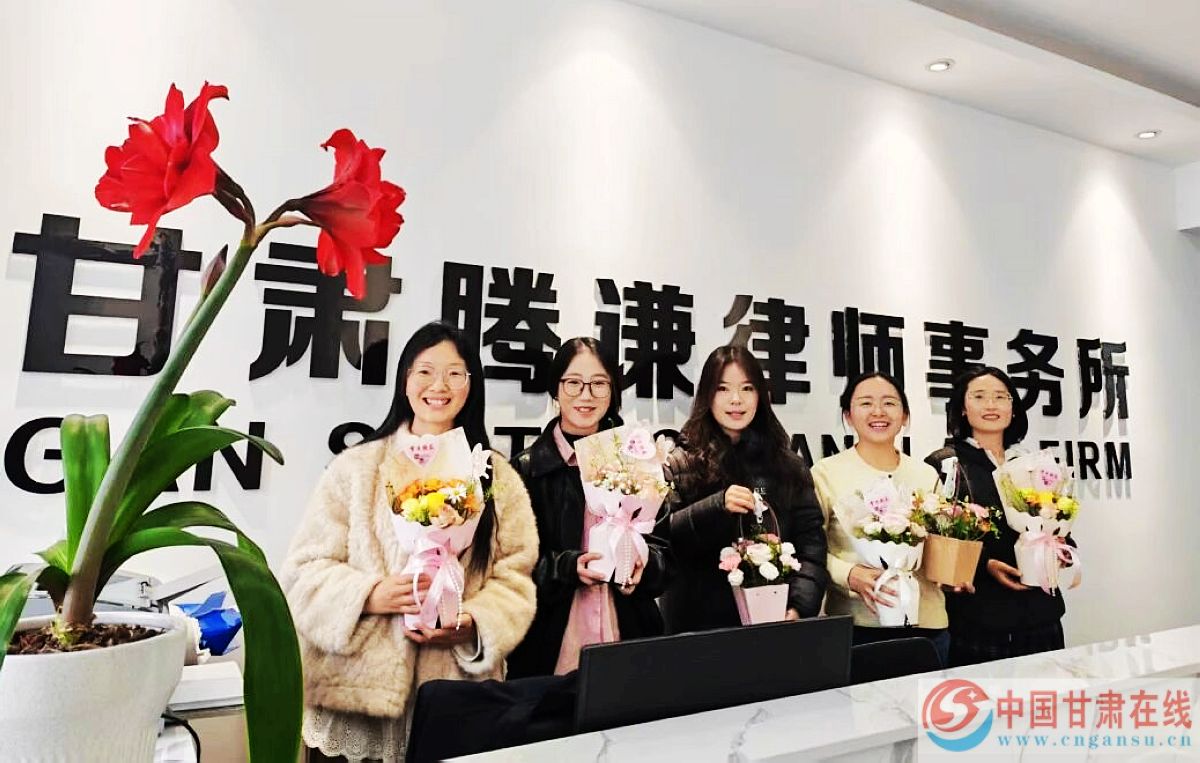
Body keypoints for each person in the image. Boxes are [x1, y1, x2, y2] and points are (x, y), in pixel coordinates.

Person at [281, 321, 538, 763]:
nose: (439, 386)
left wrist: (474, 623)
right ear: (405, 380)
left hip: (456, 699)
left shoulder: (496, 475)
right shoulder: (356, 467)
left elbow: (515, 576)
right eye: (425, 371)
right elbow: (303, 570)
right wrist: (368, 595)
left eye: (455, 373)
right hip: (353, 698)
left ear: (471, 385)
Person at [507, 338, 673, 678]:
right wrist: (566, 567)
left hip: (628, 633)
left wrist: (643, 566)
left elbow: (665, 550)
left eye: (599, 384)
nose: (586, 395)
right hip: (551, 643)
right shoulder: (526, 469)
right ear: (556, 389)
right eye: (573, 383)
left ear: (613, 391)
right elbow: (509, 565)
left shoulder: (637, 460)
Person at [661, 345, 828, 634]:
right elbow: (663, 539)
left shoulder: (788, 465)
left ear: (760, 395)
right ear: (707, 395)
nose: (736, 399)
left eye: (747, 388)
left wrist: (799, 607)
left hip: (774, 625)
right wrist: (715, 506)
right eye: (723, 389)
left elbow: (811, 545)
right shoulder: (679, 461)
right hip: (697, 630)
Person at [925, 366, 1078, 666]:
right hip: (979, 619)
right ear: (962, 408)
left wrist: (1062, 549)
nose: (991, 405)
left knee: (1046, 696)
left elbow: (1058, 520)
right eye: (979, 397)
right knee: (987, 698)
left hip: (1041, 614)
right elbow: (936, 542)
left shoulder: (1035, 463)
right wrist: (984, 565)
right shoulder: (945, 465)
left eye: (1000, 397)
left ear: (1013, 407)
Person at [812, 371, 949, 666]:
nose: (878, 412)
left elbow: (937, 545)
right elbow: (809, 549)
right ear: (848, 416)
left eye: (889, 403)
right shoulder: (826, 473)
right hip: (857, 625)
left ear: (905, 416)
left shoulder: (925, 474)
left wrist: (953, 570)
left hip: (926, 625)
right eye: (865, 403)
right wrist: (848, 574)